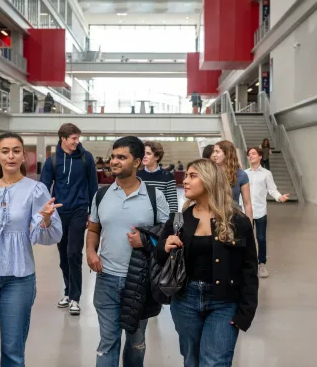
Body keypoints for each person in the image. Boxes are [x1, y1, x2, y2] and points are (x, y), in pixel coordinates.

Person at [156, 159, 258, 367]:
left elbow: (249, 269)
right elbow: (159, 258)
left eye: (193, 176)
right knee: (191, 360)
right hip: (185, 300)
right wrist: (164, 247)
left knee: (214, 362)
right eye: (186, 176)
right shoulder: (179, 219)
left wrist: (246, 312)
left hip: (224, 302)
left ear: (209, 181)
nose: (185, 181)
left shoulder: (237, 221)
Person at [86, 136, 170, 367]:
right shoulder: (101, 195)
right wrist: (91, 253)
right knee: (108, 341)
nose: (114, 161)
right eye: (113, 156)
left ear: (137, 162)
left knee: (135, 342)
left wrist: (145, 241)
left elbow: (169, 235)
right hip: (106, 279)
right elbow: (93, 228)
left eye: (121, 157)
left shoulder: (155, 197)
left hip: (140, 280)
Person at [0, 132, 62, 366]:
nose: (11, 156)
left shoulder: (36, 189)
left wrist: (46, 220)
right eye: (5, 151)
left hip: (18, 278)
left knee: (13, 349)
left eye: (16, 151)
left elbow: (47, 237)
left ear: (23, 156)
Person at [40, 123, 98, 315]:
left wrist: (94, 212)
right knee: (64, 254)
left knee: (74, 252)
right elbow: (43, 188)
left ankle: (75, 297)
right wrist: (44, 211)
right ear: (63, 139)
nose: (77, 141)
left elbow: (93, 185)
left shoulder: (86, 158)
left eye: (77, 138)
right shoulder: (53, 160)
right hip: (58, 213)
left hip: (80, 210)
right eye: (73, 138)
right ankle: (67, 291)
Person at [246, 147, 289, 278]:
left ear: (260, 156)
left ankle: (262, 264)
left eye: (253, 154)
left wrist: (279, 197)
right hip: (245, 212)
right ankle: (246, 265)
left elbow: (272, 189)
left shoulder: (266, 173)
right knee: (246, 239)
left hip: (260, 211)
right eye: (249, 154)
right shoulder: (244, 173)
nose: (250, 156)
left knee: (261, 238)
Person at [213, 140, 253, 223]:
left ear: (227, 153)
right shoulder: (211, 173)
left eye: (217, 152)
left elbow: (247, 203)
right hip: (213, 218)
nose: (214, 155)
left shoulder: (242, 175)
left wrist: (250, 225)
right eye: (214, 152)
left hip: (234, 219)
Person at [138, 141, 178, 213]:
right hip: (140, 219)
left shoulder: (168, 176)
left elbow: (173, 204)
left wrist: (170, 221)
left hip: (161, 220)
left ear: (157, 157)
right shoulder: (137, 176)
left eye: (148, 153)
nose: (144, 156)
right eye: (143, 153)